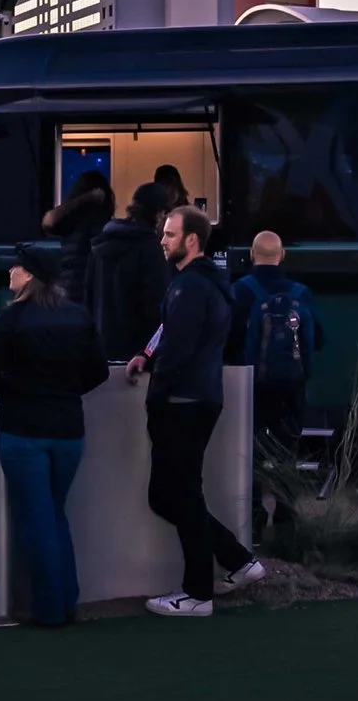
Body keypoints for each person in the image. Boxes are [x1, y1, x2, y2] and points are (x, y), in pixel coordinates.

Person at [126, 204, 262, 616]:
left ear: (192, 239)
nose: (162, 241)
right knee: (172, 495)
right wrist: (146, 354)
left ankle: (198, 593)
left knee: (177, 495)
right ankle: (238, 561)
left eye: (170, 234)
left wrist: (156, 395)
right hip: (200, 398)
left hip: (182, 403)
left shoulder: (189, 287)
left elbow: (178, 345)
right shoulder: (205, 284)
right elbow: (169, 332)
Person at [0, 243, 108, 627]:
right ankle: (67, 601)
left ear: (29, 275)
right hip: (68, 430)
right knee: (54, 513)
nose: (9, 272)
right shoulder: (78, 316)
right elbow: (98, 371)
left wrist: (12, 388)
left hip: (22, 430)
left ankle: (48, 610)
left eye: (15, 267)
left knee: (36, 519)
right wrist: (66, 390)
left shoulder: (10, 319)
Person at [229, 229, 325, 541]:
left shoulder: (241, 291)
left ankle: (254, 521)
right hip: (292, 385)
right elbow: (319, 339)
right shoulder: (301, 293)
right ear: (282, 255)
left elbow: (229, 338)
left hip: (252, 385)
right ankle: (286, 523)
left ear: (251, 256)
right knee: (287, 451)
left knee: (250, 450)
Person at [88, 183, 174, 361]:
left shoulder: (100, 245)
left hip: (102, 347)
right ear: (158, 214)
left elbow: (88, 295)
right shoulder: (149, 248)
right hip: (137, 354)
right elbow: (157, 304)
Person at [42, 170, 116, 303]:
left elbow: (49, 221)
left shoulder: (70, 222)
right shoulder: (97, 222)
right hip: (85, 290)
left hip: (66, 288)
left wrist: (84, 198)